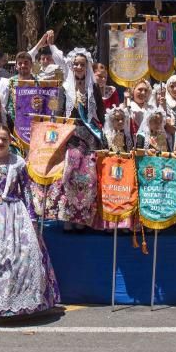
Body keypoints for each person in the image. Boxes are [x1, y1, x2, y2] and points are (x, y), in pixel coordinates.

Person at [0, 125, 60, 317]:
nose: (0, 143)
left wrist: (31, 217)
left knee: (18, 257)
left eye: (4, 139)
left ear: (9, 141)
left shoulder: (19, 163)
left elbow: (27, 192)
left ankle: (14, 304)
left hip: (14, 215)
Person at [40, 48, 104, 232]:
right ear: (71, 65)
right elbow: (59, 113)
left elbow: (100, 112)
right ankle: (68, 216)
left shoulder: (93, 88)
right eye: (76, 64)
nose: (78, 67)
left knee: (88, 177)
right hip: (71, 137)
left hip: (90, 138)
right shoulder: (65, 88)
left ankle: (84, 218)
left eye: (82, 64)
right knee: (69, 176)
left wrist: (106, 132)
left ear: (87, 67)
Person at [98, 105, 136, 233]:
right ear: (111, 121)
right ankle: (110, 224)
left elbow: (131, 153)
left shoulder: (128, 137)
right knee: (111, 197)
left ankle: (123, 223)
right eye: (117, 120)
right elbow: (103, 153)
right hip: (110, 173)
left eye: (122, 120)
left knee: (123, 197)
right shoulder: (106, 135)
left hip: (124, 173)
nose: (120, 122)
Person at [5, 51, 35, 121]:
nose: (23, 65)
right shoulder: (9, 82)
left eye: (26, 63)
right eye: (20, 63)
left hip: (32, 123)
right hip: (12, 123)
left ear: (31, 65)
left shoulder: (38, 83)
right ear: (16, 66)